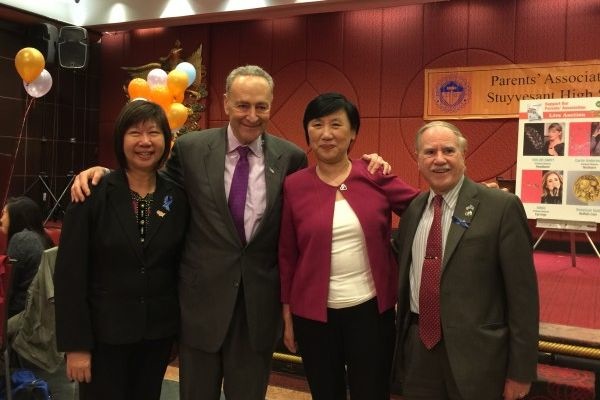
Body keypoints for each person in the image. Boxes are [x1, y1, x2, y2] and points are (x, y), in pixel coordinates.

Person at [69, 66, 390, 400]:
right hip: (200, 307)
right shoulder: (191, 149)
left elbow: (322, 189)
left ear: (270, 105)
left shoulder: (290, 157)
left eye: (261, 106)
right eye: (242, 105)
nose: (251, 115)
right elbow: (148, 179)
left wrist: (370, 165)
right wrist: (105, 173)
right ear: (225, 103)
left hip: (258, 312)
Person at [278, 93, 419, 399]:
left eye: (336, 124)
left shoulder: (372, 174)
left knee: (372, 391)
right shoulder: (294, 185)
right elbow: (287, 254)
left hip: (371, 312)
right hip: (313, 317)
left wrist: (477, 197)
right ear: (308, 133)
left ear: (353, 132)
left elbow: (421, 206)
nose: (326, 134)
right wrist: (287, 314)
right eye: (317, 125)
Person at [392, 121, 539, 400]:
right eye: (429, 152)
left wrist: (521, 370)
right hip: (420, 350)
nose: (439, 159)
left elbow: (523, 297)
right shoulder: (413, 211)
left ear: (463, 155)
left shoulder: (501, 207)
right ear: (418, 160)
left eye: (448, 150)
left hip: (479, 357)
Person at [54, 100, 189, 400]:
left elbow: (178, 266)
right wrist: (76, 345)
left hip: (156, 335)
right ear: (120, 138)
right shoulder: (91, 192)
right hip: (103, 338)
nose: (145, 142)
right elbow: (69, 275)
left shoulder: (177, 197)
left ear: (166, 141)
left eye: (153, 133)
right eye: (134, 133)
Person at [0, 196, 54, 318]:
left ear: (16, 217)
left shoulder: (21, 240)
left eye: (4, 214)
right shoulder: (42, 238)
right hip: (41, 314)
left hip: (23, 318)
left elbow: (8, 289)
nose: (1, 219)